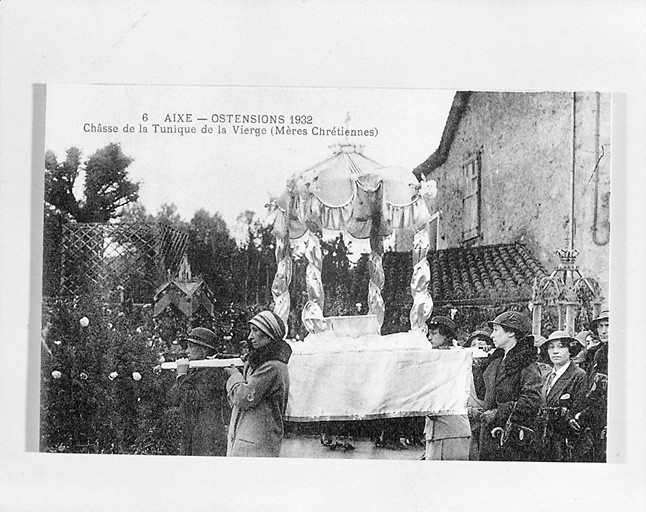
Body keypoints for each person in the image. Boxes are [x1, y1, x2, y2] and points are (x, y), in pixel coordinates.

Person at [224, 310, 291, 457]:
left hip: (256, 445)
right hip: (250, 442)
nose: (249, 337)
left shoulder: (272, 367)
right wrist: (248, 364)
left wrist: (235, 376)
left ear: (269, 334)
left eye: (255, 330)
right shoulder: (262, 364)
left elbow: (243, 398)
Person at [479, 311, 542, 461]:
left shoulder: (527, 364)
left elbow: (532, 400)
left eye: (496, 330)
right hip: (490, 436)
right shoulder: (495, 362)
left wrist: (498, 412)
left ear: (511, 332)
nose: (492, 335)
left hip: (514, 439)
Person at [170, 327, 228, 456]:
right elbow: (174, 399)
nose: (187, 351)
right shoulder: (195, 368)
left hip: (207, 437)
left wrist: (181, 376)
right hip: (193, 433)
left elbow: (192, 401)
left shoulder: (213, 370)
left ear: (205, 350)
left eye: (191, 347)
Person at [422, 316, 471, 461]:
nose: (430, 338)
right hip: (436, 431)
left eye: (434, 333)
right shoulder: (437, 358)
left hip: (452, 431)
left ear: (447, 335)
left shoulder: (455, 358)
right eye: (429, 334)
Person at [537, 330, 587, 462]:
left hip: (564, 445)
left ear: (571, 350)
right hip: (543, 442)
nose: (555, 351)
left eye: (561, 346)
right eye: (551, 347)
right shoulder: (547, 377)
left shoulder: (579, 376)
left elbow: (578, 411)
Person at [570, 310, 609, 462]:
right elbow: (592, 388)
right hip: (594, 416)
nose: (604, 330)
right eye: (600, 326)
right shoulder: (598, 354)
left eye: (608, 325)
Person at [464, 329, 494, 460]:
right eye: (474, 345)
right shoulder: (462, 369)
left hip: (487, 421)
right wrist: (469, 411)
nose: (477, 349)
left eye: (481, 346)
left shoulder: (492, 367)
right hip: (466, 422)